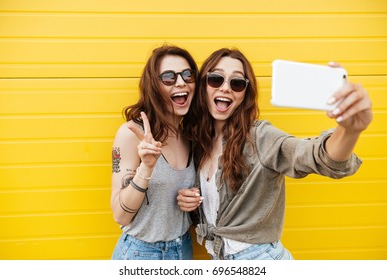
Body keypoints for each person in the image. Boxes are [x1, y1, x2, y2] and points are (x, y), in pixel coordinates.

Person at [177, 48, 373, 260]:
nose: (225, 88)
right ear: (203, 85)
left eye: (237, 83)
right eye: (216, 79)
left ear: (245, 93)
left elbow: (314, 156)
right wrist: (188, 201)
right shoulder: (197, 141)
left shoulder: (260, 137)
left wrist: (350, 130)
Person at [110, 45, 199, 260]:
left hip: (183, 248)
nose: (181, 82)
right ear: (154, 86)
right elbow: (120, 215)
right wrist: (147, 166)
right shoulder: (131, 134)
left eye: (188, 75)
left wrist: (193, 198)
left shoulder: (192, 134)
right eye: (169, 77)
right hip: (142, 253)